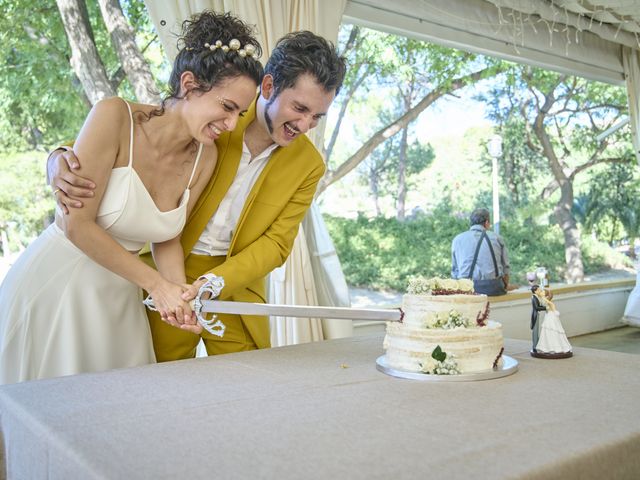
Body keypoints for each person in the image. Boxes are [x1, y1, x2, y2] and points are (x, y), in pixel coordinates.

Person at [47, 30, 347, 362]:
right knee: (161, 382)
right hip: (165, 271)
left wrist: (218, 281)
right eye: (299, 108)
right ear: (268, 87)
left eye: (317, 117)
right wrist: (58, 156)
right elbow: (145, 131)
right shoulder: (214, 116)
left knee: (252, 386)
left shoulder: (309, 165)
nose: (305, 125)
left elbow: (277, 244)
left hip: (235, 288)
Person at [0, 11, 263, 384]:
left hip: (120, 300)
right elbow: (76, 225)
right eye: (226, 106)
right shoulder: (113, 116)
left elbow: (167, 235)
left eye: (240, 112)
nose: (232, 123)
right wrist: (156, 285)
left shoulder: (207, 156)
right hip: (59, 289)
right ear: (189, 84)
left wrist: (178, 297)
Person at [451, 207, 511, 296]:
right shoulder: (497, 238)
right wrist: (505, 286)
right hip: (493, 289)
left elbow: (455, 271)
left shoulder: (457, 239)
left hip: (466, 290)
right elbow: (506, 269)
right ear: (486, 223)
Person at [534, 288, 572, 355]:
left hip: (551, 317)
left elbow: (550, 306)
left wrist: (543, 296)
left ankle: (556, 347)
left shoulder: (549, 302)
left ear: (546, 295)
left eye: (542, 292)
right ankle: (546, 347)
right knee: (546, 331)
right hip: (547, 316)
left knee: (552, 330)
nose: (541, 292)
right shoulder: (543, 300)